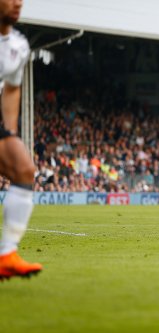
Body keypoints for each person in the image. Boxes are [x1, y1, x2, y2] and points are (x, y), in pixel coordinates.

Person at [0, 0, 43, 280]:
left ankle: (7, 255)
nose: (17, 3)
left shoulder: (18, 45)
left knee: (24, 168)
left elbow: (13, 88)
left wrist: (10, 132)